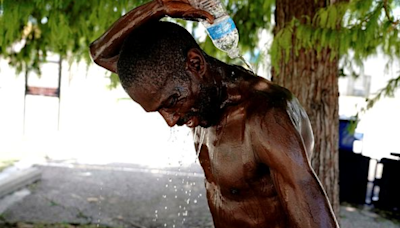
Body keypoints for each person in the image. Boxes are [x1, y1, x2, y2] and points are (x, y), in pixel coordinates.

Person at [89, 0, 339, 227]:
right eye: (160, 110)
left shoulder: (265, 117)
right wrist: (159, 8)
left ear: (195, 64)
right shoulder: (202, 106)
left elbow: (312, 211)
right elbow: (101, 54)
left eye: (172, 102)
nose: (171, 120)